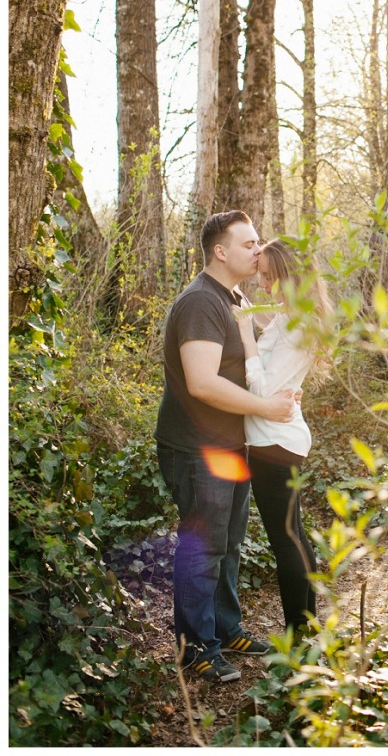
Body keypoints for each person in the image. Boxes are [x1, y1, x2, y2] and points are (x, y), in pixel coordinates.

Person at [155, 211, 297, 684]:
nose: (259, 250)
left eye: (259, 242)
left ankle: (225, 628)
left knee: (229, 544)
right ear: (221, 251)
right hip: (197, 447)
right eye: (249, 243)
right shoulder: (200, 302)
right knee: (203, 548)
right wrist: (263, 406)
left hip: (232, 443)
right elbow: (201, 382)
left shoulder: (236, 298)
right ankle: (195, 648)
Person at [232, 238, 331, 636]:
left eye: (271, 277)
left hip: (273, 441)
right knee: (295, 533)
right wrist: (252, 321)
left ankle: (296, 636)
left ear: (290, 276)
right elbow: (275, 358)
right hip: (280, 438)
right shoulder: (293, 319)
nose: (265, 285)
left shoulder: (296, 325)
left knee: (285, 540)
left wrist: (243, 333)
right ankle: (307, 628)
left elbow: (262, 389)